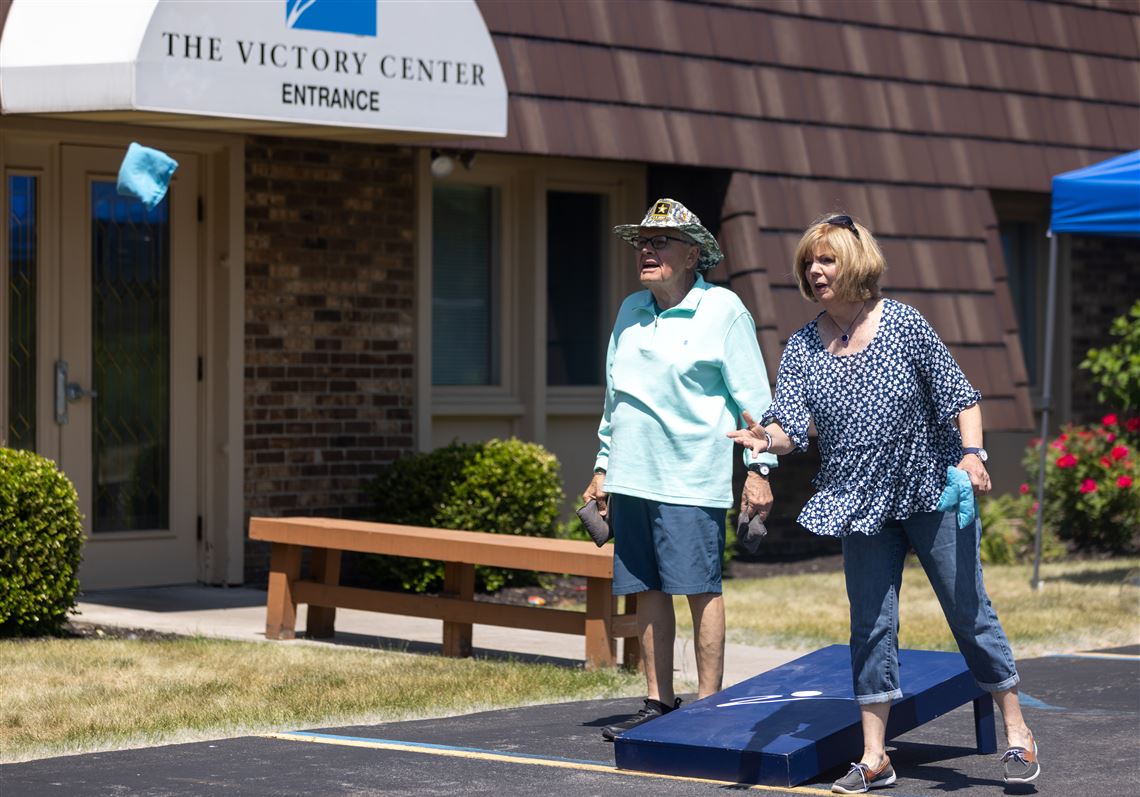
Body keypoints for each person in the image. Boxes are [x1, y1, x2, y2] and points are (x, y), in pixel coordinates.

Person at [727, 213, 1039, 793]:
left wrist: (974, 456)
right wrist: (766, 439)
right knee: (870, 624)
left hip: (929, 489)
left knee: (967, 610)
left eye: (827, 260)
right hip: (858, 499)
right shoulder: (802, 345)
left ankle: (1017, 730)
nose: (816, 271)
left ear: (857, 263)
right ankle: (876, 757)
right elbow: (793, 426)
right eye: (809, 264)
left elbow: (962, 397)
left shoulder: (903, 324)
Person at [584, 198, 778, 741]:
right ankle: (658, 702)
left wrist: (758, 471)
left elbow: (755, 404)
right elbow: (614, 397)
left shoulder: (724, 310)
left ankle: (708, 707)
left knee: (700, 588)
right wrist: (603, 468)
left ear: (693, 254)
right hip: (632, 474)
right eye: (642, 242)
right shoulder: (629, 310)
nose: (646, 250)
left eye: (659, 241)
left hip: (691, 474)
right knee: (647, 588)